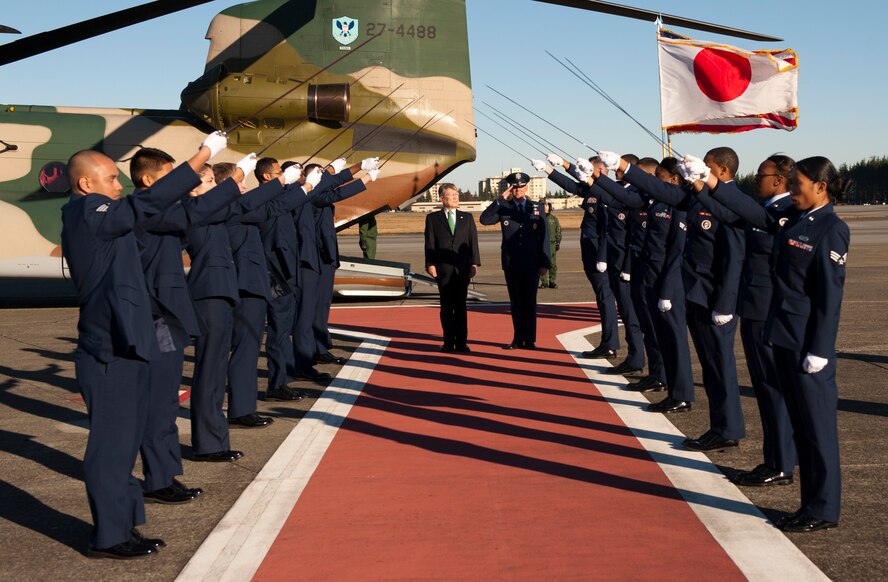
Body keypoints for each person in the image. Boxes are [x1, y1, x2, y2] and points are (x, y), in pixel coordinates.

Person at [60, 130, 225, 558]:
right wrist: (199, 160)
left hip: (129, 345)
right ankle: (109, 536)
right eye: (112, 180)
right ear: (86, 184)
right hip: (107, 351)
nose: (119, 187)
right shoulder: (86, 212)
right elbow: (142, 204)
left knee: (126, 444)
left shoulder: (103, 216)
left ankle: (125, 525)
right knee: (111, 449)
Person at [697, 155, 850, 533]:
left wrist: (821, 349)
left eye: (798, 184)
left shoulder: (831, 228)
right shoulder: (793, 220)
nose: (792, 189)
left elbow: (829, 297)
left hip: (806, 345)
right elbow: (747, 211)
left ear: (820, 186)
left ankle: (824, 508)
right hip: (782, 335)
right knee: (800, 425)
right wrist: (710, 185)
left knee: (818, 431)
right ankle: (808, 506)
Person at [601, 148, 746, 448]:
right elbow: (660, 190)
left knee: (721, 367)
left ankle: (729, 429)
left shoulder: (734, 201)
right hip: (695, 294)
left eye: (705, 167)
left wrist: (725, 303)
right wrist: (625, 168)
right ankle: (720, 426)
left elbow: (733, 257)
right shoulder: (697, 198)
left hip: (714, 298)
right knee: (710, 368)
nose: (698, 172)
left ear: (720, 171)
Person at [129, 146, 246, 506]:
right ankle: (158, 477)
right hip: (158, 316)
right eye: (169, 176)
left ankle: (164, 475)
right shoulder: (146, 210)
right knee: (158, 402)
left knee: (164, 402)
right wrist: (211, 163)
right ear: (149, 181)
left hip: (171, 315)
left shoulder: (162, 210)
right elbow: (195, 214)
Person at [685, 154, 797, 487]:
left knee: (774, 391)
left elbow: (738, 227)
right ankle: (774, 460)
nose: (755, 179)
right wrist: (700, 185)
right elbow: (726, 212)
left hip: (767, 312)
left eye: (761, 175)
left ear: (779, 180)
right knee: (764, 390)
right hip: (754, 310)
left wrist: (712, 182)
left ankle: (781, 463)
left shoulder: (784, 213)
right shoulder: (769, 211)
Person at [592, 157, 694, 412]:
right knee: (653, 331)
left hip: (665, 279)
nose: (653, 183)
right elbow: (618, 198)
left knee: (674, 339)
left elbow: (676, 251)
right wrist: (592, 178)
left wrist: (668, 289)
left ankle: (681, 393)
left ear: (674, 179)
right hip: (647, 273)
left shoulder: (678, 204)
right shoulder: (654, 202)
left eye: (657, 177)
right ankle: (661, 377)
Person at [535, 155, 619, 358]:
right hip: (588, 250)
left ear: (601, 170)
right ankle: (608, 341)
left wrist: (602, 256)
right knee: (601, 297)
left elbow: (607, 229)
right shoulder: (590, 189)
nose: (583, 172)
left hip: (600, 252)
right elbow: (571, 185)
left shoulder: (608, 192)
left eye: (587, 169)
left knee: (605, 297)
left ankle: (610, 343)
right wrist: (550, 169)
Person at [480, 171, 550, 349]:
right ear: (510, 189)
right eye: (514, 187)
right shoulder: (503, 207)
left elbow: (544, 237)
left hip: (532, 262)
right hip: (511, 263)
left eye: (521, 187)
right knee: (516, 303)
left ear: (526, 187)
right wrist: (499, 200)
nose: (518, 190)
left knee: (530, 302)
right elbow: (485, 220)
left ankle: (530, 339)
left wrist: (544, 263)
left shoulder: (536, 208)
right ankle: (518, 338)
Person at [424, 182, 481, 352]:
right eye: (451, 195)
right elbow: (430, 243)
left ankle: (462, 342)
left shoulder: (467, 217)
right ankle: (448, 342)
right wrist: (430, 264)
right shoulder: (433, 219)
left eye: (457, 194)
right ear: (442, 198)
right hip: (443, 269)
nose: (456, 197)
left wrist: (474, 263)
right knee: (447, 308)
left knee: (461, 307)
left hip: (462, 269)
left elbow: (473, 243)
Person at [538, 199, 562, 289]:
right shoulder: (537, 218)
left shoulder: (554, 219)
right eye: (543, 205)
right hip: (541, 244)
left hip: (551, 244)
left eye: (547, 205)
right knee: (542, 263)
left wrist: (558, 242)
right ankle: (544, 282)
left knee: (552, 264)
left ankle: (552, 281)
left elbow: (558, 231)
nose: (545, 206)